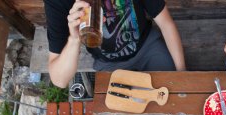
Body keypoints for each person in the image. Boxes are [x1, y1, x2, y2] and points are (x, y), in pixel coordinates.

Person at [44, 0, 186, 87]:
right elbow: (59, 80)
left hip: (148, 49)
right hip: (109, 64)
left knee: (173, 95)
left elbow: (166, 24)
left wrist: (182, 73)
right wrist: (74, 39)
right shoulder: (58, 2)